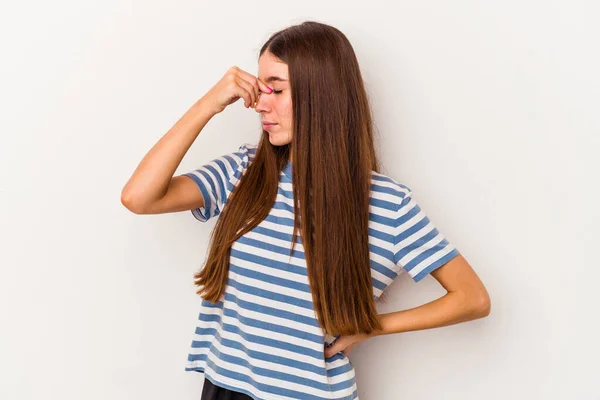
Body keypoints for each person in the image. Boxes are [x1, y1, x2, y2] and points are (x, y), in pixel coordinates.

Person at [121, 20, 491, 400]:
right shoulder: (242, 172)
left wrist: (372, 326)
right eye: (260, 90)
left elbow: (472, 298)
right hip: (224, 386)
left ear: (321, 94)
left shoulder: (387, 203)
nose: (260, 104)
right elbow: (140, 197)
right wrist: (208, 105)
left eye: (276, 90)